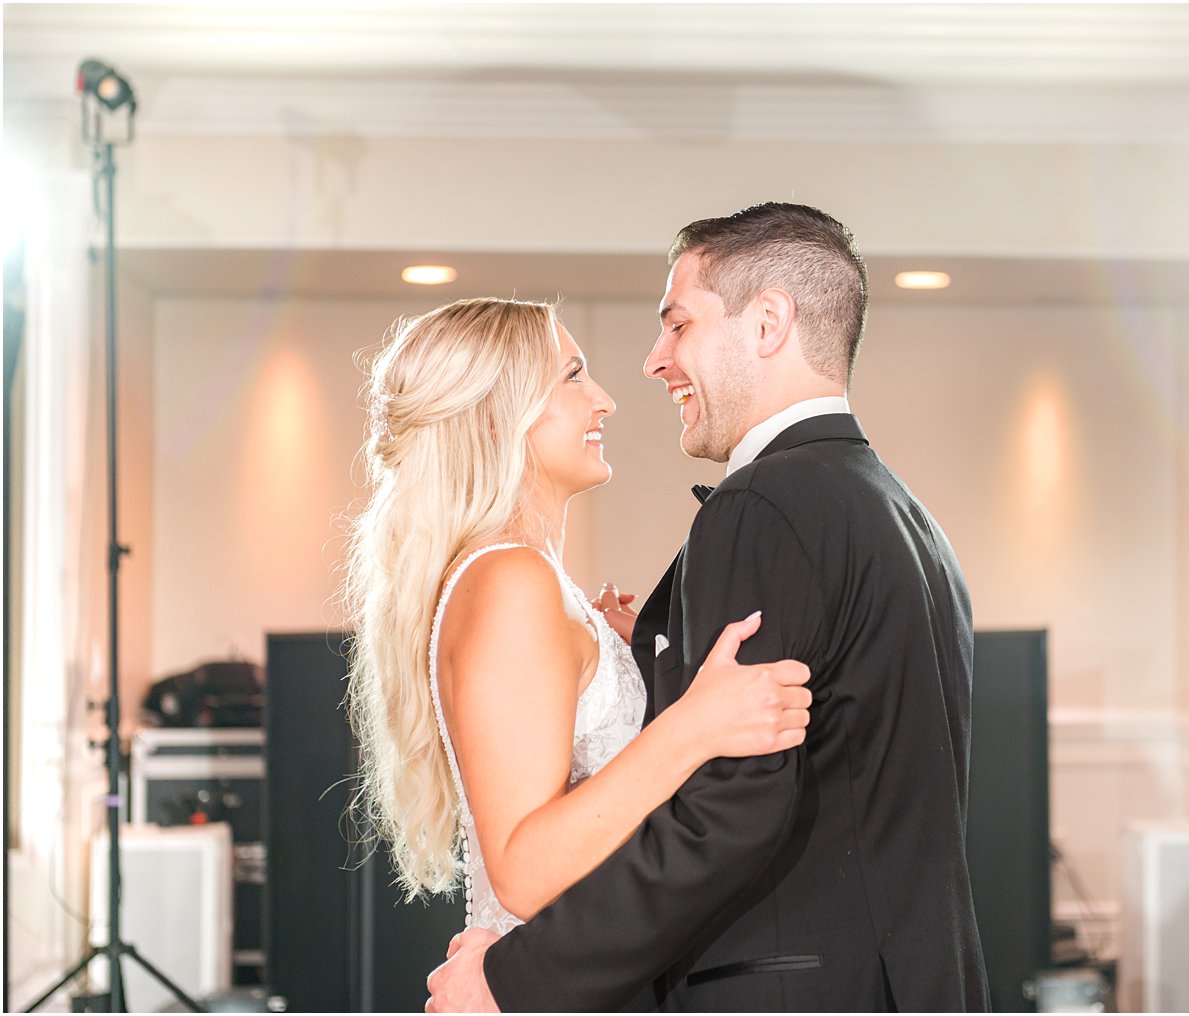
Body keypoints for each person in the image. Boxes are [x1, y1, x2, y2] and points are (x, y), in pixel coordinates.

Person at [426, 203, 990, 1012]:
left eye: (678, 324)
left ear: (768, 323)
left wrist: (516, 980)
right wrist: (647, 645)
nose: (654, 362)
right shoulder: (902, 513)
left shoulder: (763, 504)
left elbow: (728, 813)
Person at [343, 298, 814, 944]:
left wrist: (628, 657)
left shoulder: (517, 579)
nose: (605, 401)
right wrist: (693, 726)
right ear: (494, 417)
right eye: (572, 376)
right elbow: (523, 870)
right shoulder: (512, 581)